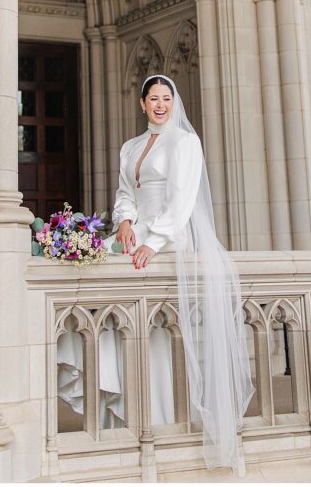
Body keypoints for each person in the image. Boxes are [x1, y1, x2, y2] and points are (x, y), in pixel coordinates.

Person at [57, 74, 254, 472]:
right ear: (142, 104)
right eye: (153, 98)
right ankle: (120, 401)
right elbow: (125, 193)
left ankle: (159, 415)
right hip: (134, 234)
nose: (160, 104)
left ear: (172, 102)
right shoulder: (130, 147)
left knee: (156, 335)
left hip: (169, 237)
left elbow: (182, 198)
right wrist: (126, 223)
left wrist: (155, 239)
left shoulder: (185, 142)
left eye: (166, 98)